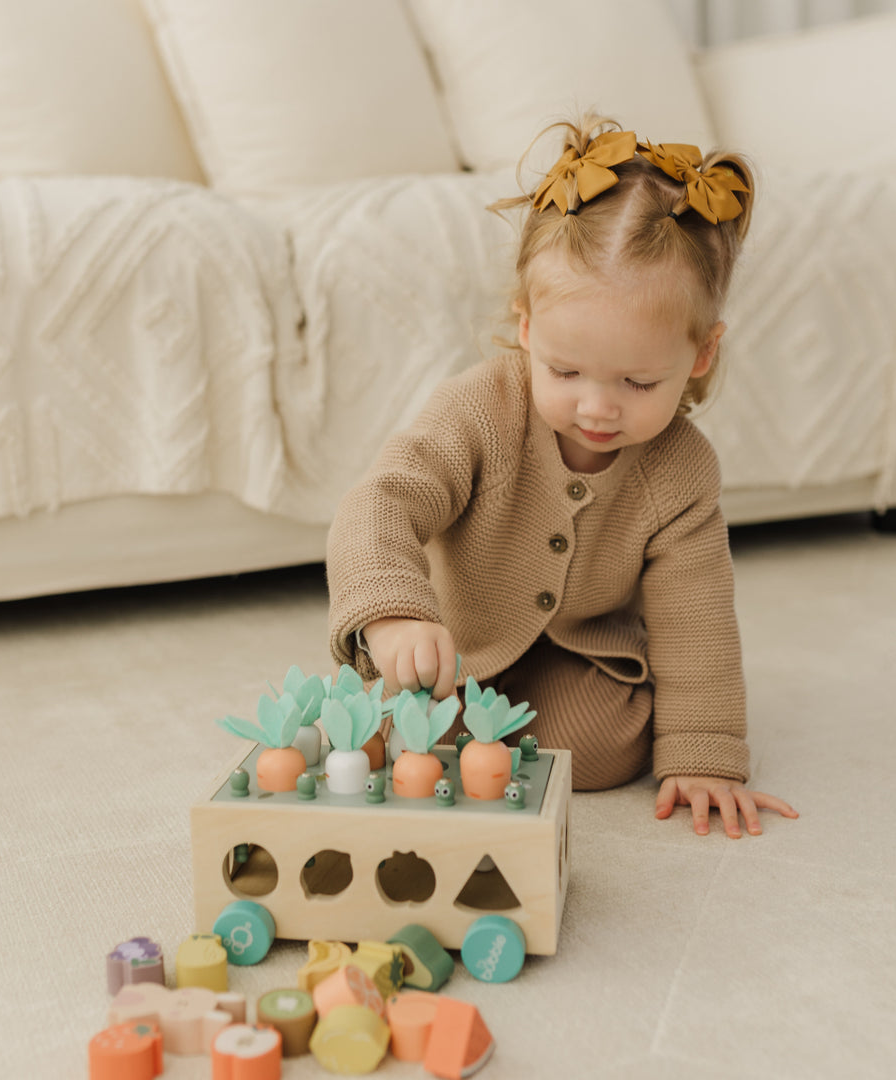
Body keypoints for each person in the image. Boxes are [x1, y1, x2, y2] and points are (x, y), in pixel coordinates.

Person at [325, 116, 797, 838]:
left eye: (639, 381)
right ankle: (437, 710)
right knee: (391, 705)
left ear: (700, 355)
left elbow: (694, 619)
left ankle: (477, 739)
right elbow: (381, 504)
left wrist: (706, 751)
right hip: (456, 643)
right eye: (566, 371)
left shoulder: (681, 469)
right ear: (525, 328)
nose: (598, 408)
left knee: (609, 747)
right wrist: (394, 617)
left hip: (579, 655)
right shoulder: (480, 408)